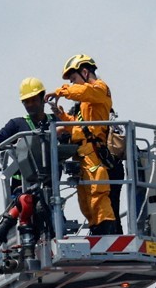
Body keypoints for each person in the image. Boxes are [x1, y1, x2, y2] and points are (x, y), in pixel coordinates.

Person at [0, 77, 68, 248]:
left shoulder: (55, 121)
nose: (30, 105)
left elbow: (71, 138)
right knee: (28, 204)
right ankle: (30, 239)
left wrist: (63, 127)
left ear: (42, 98)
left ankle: (53, 237)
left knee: (48, 210)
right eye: (26, 102)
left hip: (49, 183)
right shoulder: (17, 124)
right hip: (22, 183)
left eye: (33, 100)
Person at [52, 53, 122, 235]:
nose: (74, 84)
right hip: (84, 153)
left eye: (74, 79)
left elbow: (84, 92)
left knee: (98, 194)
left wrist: (62, 91)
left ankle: (107, 232)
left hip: (95, 152)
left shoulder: (99, 89)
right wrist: (63, 117)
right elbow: (81, 127)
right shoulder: (86, 102)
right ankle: (96, 229)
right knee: (86, 199)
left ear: (84, 72)